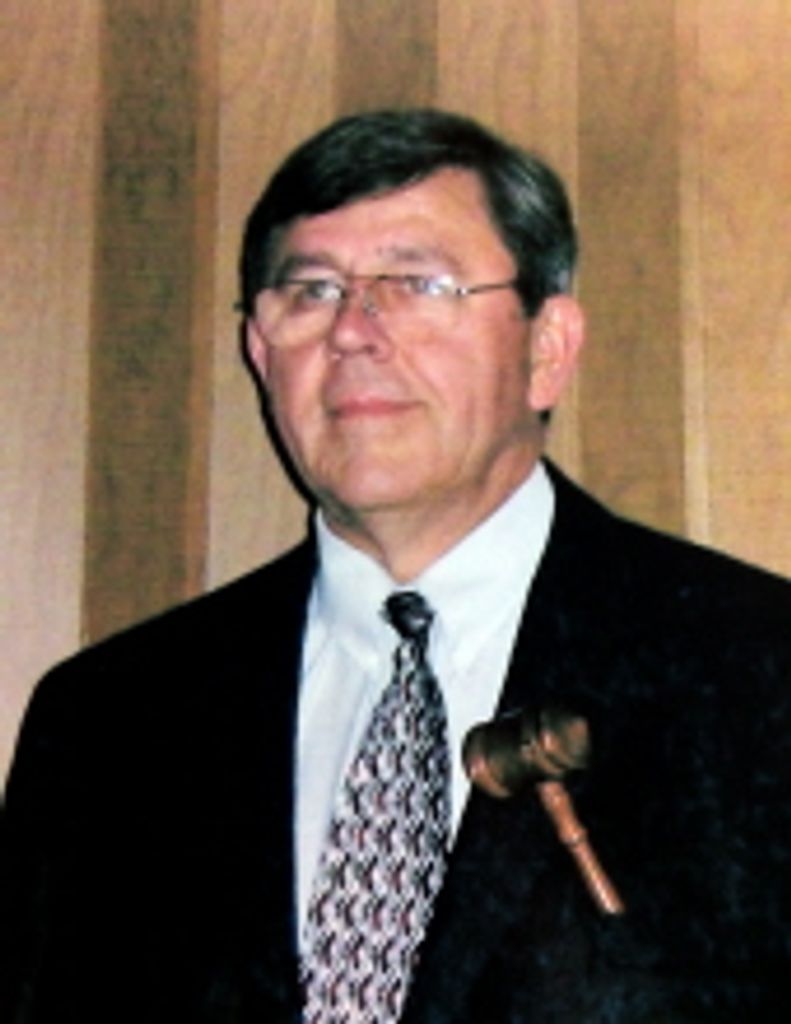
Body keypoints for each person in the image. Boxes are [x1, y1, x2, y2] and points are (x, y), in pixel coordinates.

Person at [2, 108, 789, 1024]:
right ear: (260, 352)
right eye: (311, 292)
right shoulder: (108, 724)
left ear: (546, 349)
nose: (352, 331)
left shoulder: (756, 671)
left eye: (419, 284)